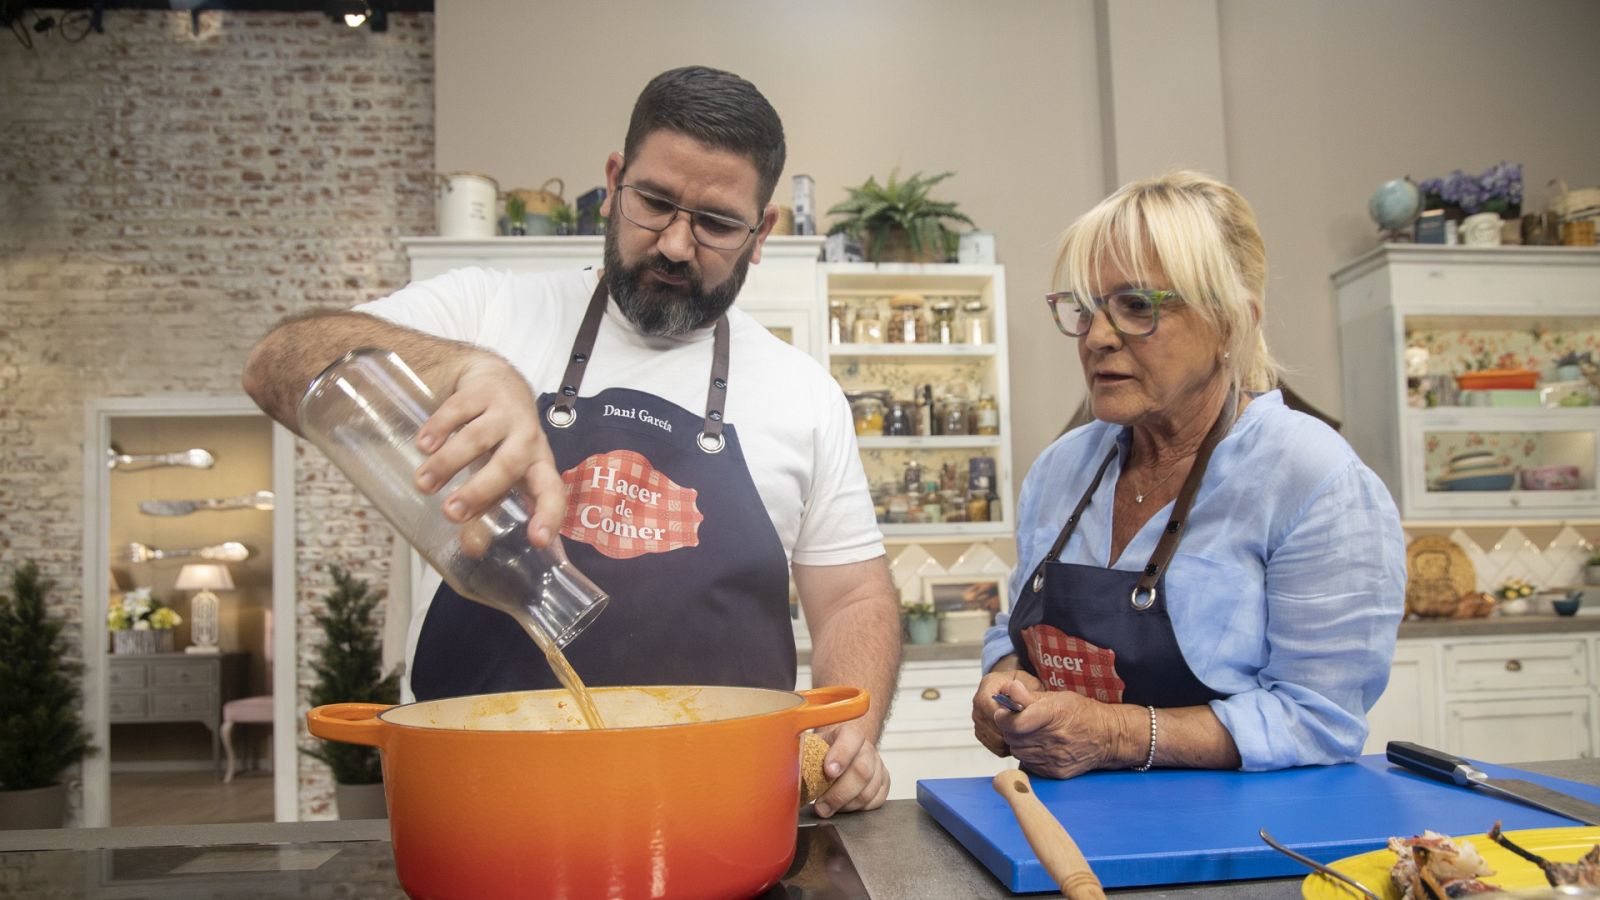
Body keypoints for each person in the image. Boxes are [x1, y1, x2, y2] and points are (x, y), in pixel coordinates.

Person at [244, 66, 900, 815]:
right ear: (615, 183)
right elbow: (275, 364)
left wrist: (847, 735)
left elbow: (853, 599)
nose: (675, 245)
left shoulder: (804, 392)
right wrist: (461, 367)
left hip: (723, 807)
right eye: (654, 203)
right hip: (477, 802)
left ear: (762, 235)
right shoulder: (487, 311)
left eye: (717, 224)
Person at [971, 171, 1405, 778]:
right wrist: (1005, 679)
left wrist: (1116, 735)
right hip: (1059, 821)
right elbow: (1013, 632)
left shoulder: (1312, 478)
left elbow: (1317, 718)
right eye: (1086, 309)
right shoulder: (1059, 470)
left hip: (1242, 829)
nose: (1097, 338)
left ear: (1230, 323)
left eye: (1137, 306)